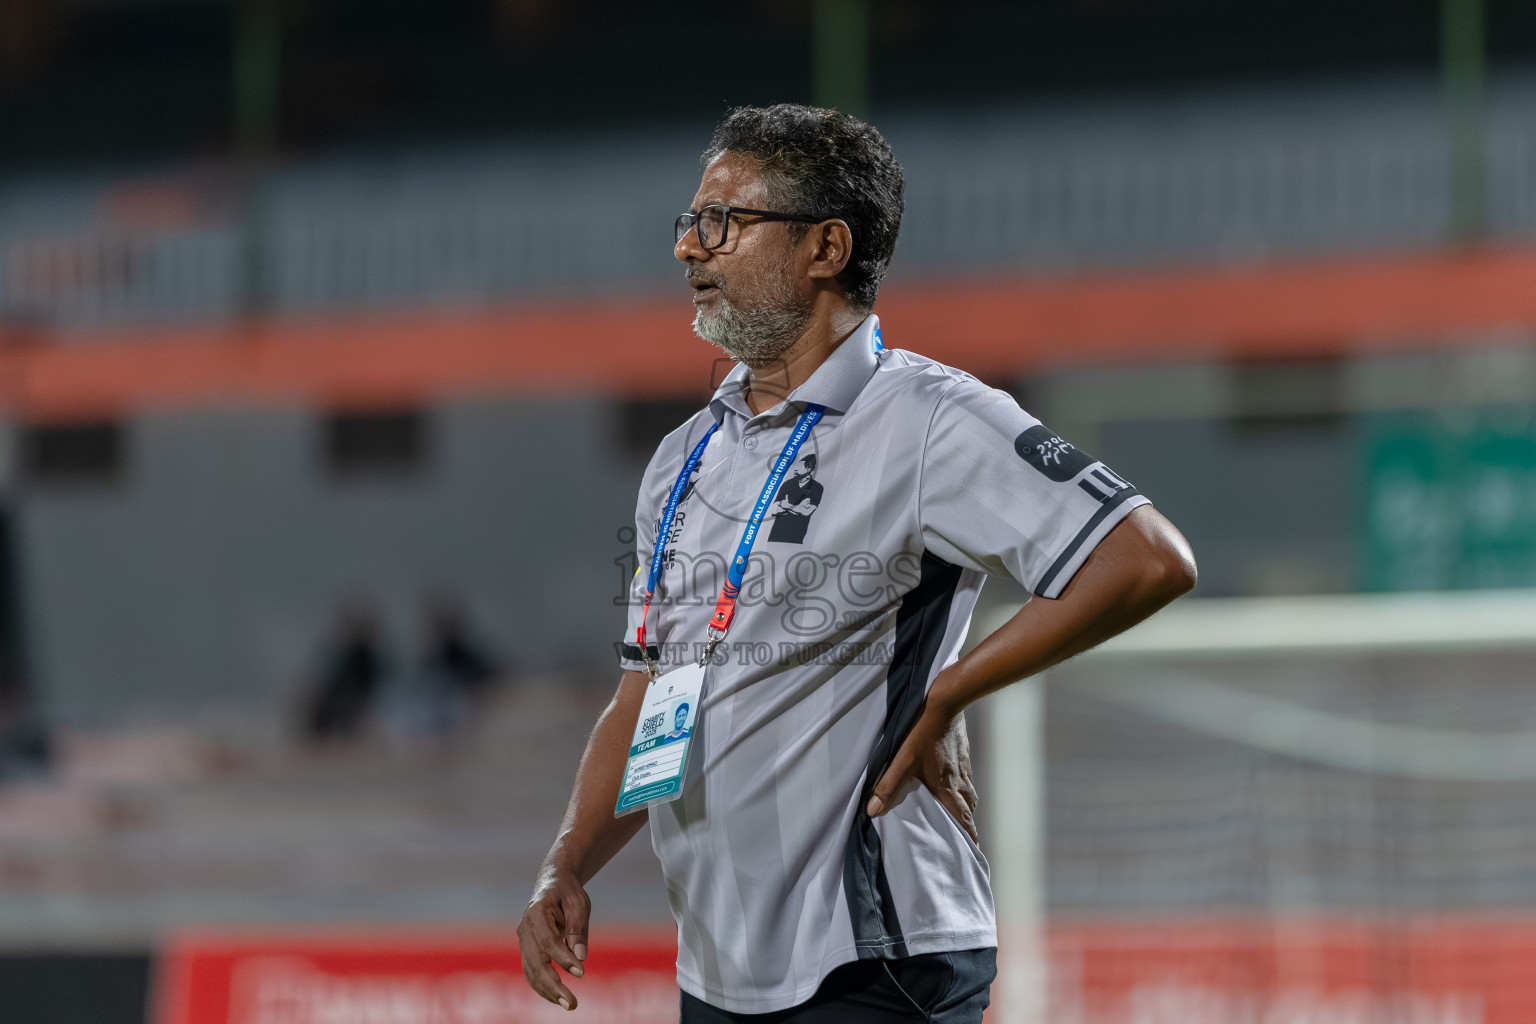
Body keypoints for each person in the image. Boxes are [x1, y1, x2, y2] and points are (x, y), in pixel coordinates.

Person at [518, 104, 1197, 1023]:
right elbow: (646, 694)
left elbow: (1145, 557)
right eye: (690, 222)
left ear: (825, 247)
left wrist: (950, 689)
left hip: (877, 958)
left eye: (723, 221)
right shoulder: (684, 457)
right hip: (717, 969)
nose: (690, 249)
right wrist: (568, 861)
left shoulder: (928, 418)